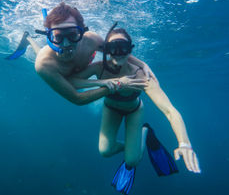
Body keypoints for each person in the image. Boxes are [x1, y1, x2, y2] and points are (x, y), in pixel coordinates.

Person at [68, 23, 201, 194]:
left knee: (132, 160)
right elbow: (72, 81)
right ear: (107, 50)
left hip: (134, 111)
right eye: (113, 48)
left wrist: (184, 143)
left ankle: (144, 132)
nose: (118, 53)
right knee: (105, 151)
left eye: (123, 47)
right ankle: (136, 142)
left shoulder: (141, 75)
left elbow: (170, 110)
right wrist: (105, 83)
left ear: (129, 50)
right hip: (110, 109)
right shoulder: (99, 68)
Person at [7, 2, 154, 105]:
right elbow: (77, 98)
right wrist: (118, 84)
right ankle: (28, 39)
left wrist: (143, 64)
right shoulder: (44, 65)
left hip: (78, 71)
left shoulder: (91, 39)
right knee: (41, 54)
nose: (66, 44)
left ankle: (31, 38)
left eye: (72, 35)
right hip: (53, 64)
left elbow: (118, 52)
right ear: (51, 37)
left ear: (82, 32)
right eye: (58, 37)